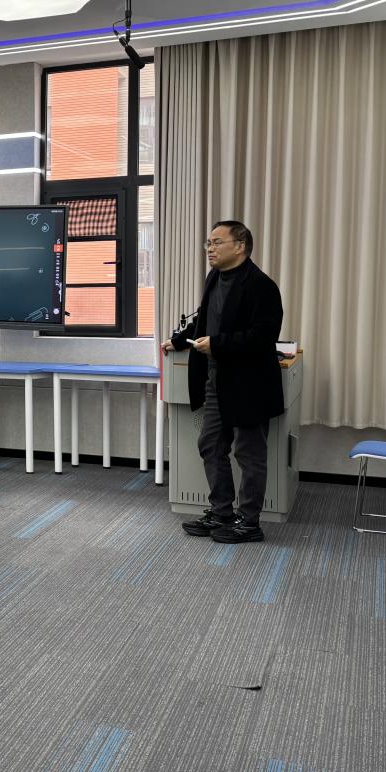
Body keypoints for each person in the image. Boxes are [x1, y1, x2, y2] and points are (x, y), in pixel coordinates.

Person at [164, 220, 284, 544]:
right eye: (208, 243)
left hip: (249, 384)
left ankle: (250, 522)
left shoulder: (261, 286)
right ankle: (221, 514)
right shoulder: (214, 278)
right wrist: (180, 339)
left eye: (217, 242)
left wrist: (218, 344)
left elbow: (263, 336)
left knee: (249, 454)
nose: (210, 249)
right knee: (210, 444)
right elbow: (206, 320)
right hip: (217, 379)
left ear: (240, 246)